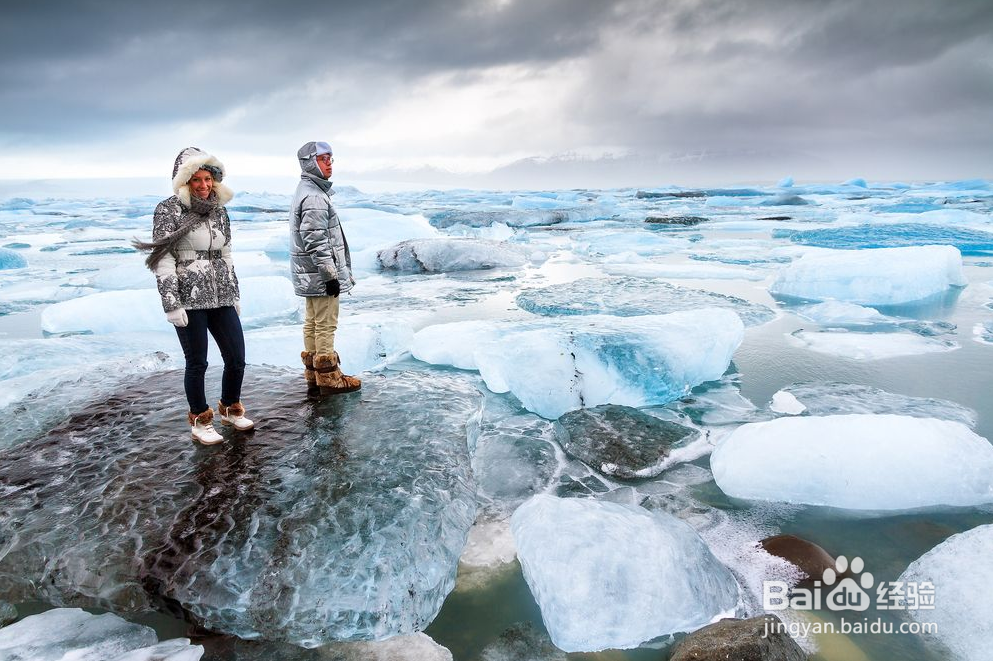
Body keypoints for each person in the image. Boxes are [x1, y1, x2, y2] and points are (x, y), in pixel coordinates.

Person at [133, 147, 255, 444]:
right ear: (184, 181)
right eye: (196, 180)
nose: (203, 185)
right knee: (197, 362)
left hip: (221, 294)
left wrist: (234, 292)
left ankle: (229, 407)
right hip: (189, 297)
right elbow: (163, 259)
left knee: (236, 358)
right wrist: (171, 303)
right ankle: (200, 420)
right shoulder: (168, 209)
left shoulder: (220, 210)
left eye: (208, 178)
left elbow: (226, 254)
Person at [290, 141, 361, 397]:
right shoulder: (315, 197)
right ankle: (329, 377)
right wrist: (330, 276)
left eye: (331, 158)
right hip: (320, 274)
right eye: (323, 158)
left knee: (312, 322)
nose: (329, 163)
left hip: (310, 274)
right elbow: (316, 240)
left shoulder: (307, 190)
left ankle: (313, 374)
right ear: (311, 162)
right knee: (326, 323)